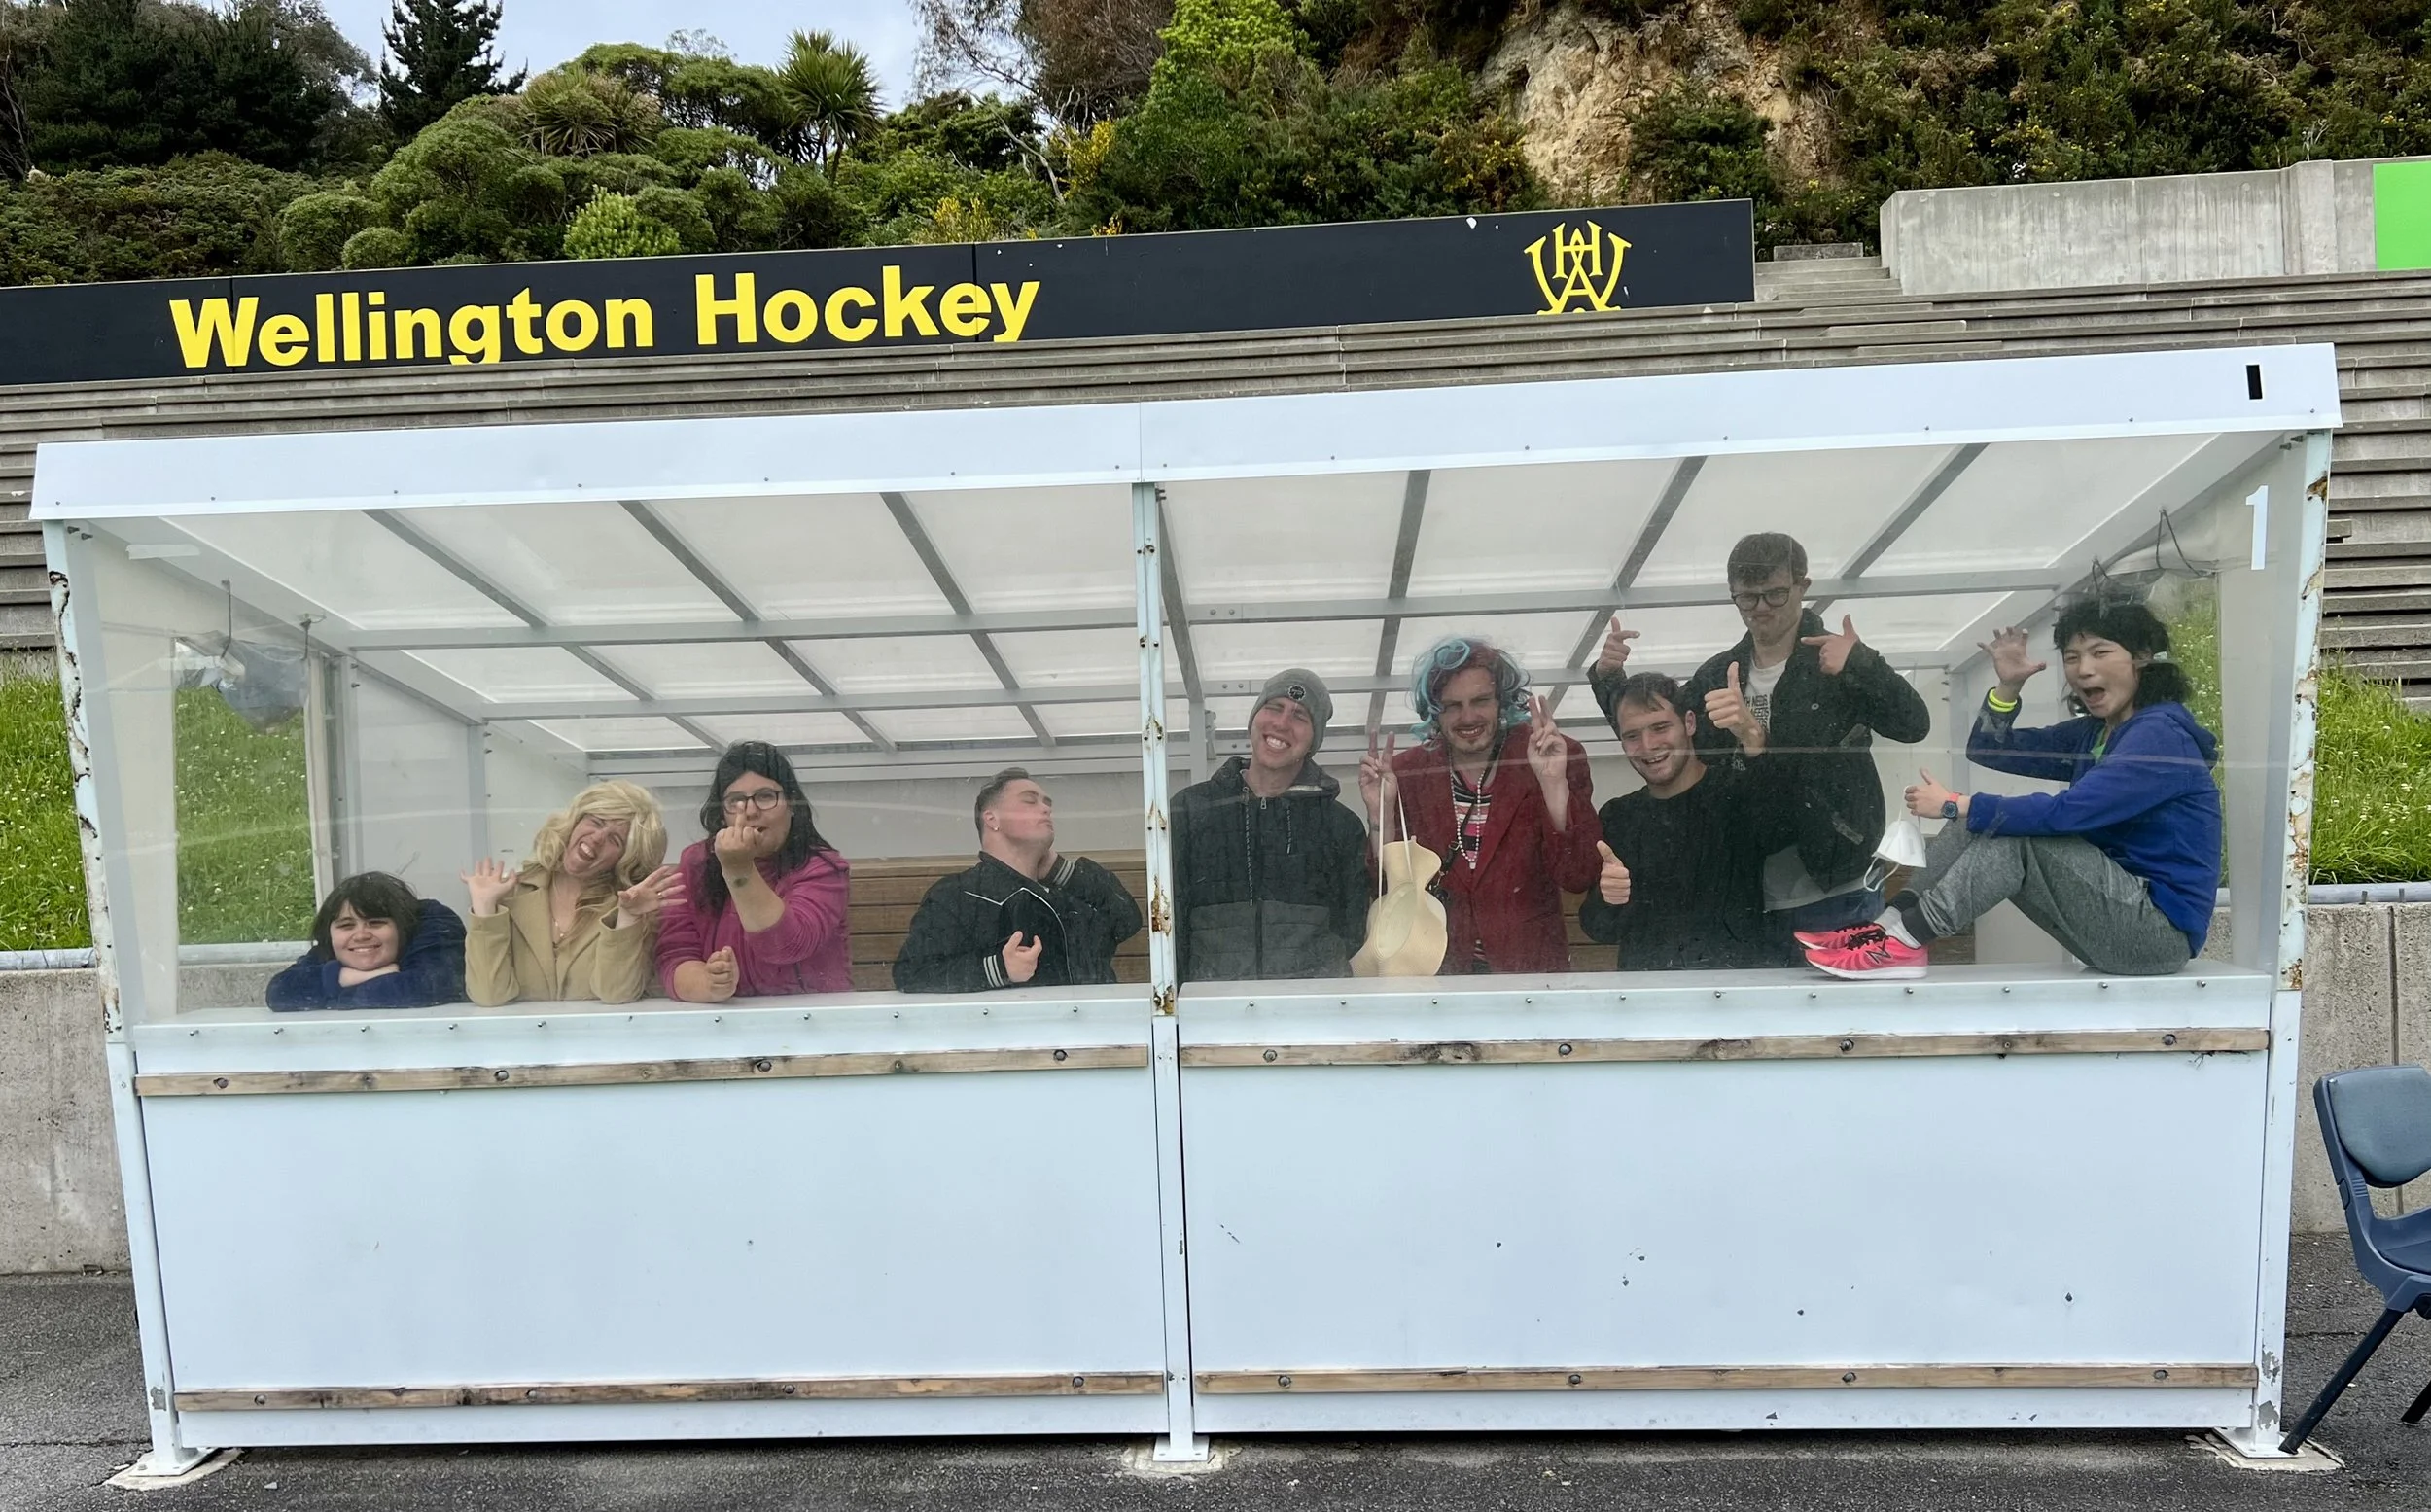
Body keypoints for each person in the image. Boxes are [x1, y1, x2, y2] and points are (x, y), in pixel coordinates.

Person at [1800, 600, 2222, 980]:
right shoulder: (2096, 733)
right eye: (2072, 657)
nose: (2083, 669)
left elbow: (2068, 813)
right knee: (1980, 823)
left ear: (2144, 658)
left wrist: (1955, 805)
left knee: (2009, 835)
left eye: (2100, 652)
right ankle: (1888, 928)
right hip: (2118, 915)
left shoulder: (2160, 736)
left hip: (2156, 936)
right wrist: (2008, 688)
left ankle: (1905, 943)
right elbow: (1988, 748)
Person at [1592, 531, 1930, 941]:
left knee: (1840, 1004)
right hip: (1749, 890)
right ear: (1733, 594)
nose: (1761, 608)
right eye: (1747, 597)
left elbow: (1914, 725)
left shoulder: (1838, 664)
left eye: (1775, 594)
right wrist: (1609, 679)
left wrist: (1862, 662)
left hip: (1838, 882)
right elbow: (1663, 741)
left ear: (1803, 586)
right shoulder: (1718, 672)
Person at [1362, 636, 1600, 974]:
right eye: (1452, 705)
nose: (1468, 716)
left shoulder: (1553, 755)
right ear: (1434, 710)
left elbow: (1578, 874)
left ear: (1502, 702)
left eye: (1481, 700)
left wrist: (1552, 784)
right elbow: (1385, 890)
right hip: (1435, 974)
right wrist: (1379, 815)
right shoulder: (1407, 773)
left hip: (1528, 974)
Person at [1578, 670, 1801, 971]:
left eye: (1660, 727)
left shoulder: (1735, 794)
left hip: (1733, 990)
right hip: (1648, 997)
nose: (1648, 745)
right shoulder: (1619, 815)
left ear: (1690, 723)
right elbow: (1600, 929)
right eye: (1632, 735)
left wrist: (1753, 739)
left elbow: (1787, 827)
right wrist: (1609, 898)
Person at [1170, 669, 1371, 981]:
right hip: (1211, 1012)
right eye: (1273, 708)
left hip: (1309, 1014)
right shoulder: (1191, 807)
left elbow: (1353, 929)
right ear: (1254, 719)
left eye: (1300, 716)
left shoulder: (1341, 826)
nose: (1281, 723)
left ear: (1313, 741)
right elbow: (1170, 921)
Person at [893, 768, 1144, 992]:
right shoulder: (960, 894)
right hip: (1017, 1038)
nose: (1046, 808)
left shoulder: (1067, 890)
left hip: (1098, 1034)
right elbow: (912, 972)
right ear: (991, 819)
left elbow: (1127, 920)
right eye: (1029, 801)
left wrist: (1063, 871)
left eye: (1047, 804)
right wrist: (998, 969)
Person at [460, 781, 683, 1007]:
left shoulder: (630, 912)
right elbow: (488, 995)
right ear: (573, 823)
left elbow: (616, 993)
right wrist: (485, 910)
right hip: (519, 1040)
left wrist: (627, 918)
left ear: (625, 860)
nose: (597, 838)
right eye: (595, 822)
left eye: (615, 840)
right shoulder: (510, 895)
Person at [656, 741, 851, 1001]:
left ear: (792, 805)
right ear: (721, 813)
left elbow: (787, 946)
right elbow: (675, 954)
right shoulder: (696, 863)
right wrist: (709, 983)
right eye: (736, 801)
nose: (749, 811)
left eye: (766, 797)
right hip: (725, 1022)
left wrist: (739, 870)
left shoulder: (823, 869)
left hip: (811, 1018)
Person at [266, 871, 466, 1011]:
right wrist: (347, 977)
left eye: (375, 923)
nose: (361, 935)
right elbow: (280, 991)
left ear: (403, 925)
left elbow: (431, 985)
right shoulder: (330, 948)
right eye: (346, 925)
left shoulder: (431, 923)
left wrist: (333, 996)